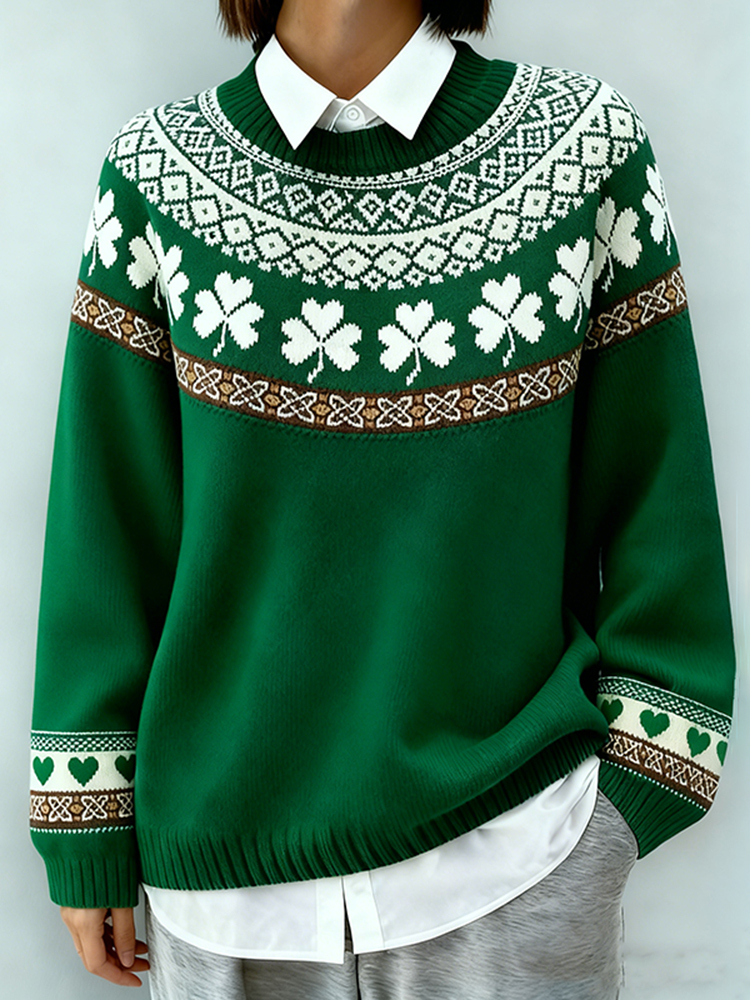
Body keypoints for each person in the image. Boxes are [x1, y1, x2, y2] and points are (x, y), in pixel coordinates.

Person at [29, 0, 736, 996]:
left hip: (515, 860)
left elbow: (658, 497)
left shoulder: (584, 149)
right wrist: (84, 819)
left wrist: (625, 804)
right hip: (226, 898)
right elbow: (106, 523)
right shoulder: (156, 176)